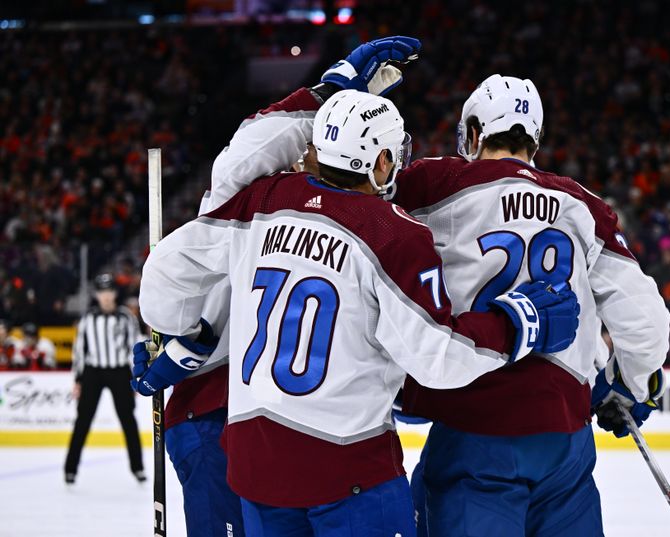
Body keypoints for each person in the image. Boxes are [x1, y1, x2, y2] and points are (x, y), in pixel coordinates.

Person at [207, 71, 670, 536]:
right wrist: (630, 383)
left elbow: (348, 197)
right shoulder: (582, 203)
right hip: (564, 437)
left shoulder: (432, 183)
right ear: (534, 139)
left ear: (472, 133)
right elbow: (644, 317)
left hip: (474, 427)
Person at [131, 77, 581, 537]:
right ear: (381, 160)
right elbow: (439, 358)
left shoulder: (261, 201)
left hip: (255, 462)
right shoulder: (393, 234)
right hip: (347, 468)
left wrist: (187, 339)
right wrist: (517, 323)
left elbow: (165, 272)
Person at [132, 36, 432, 537]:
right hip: (219, 422)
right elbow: (240, 162)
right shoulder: (252, 210)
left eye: (313, 144)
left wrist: (177, 345)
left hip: (252, 433)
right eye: (306, 144)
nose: (303, 154)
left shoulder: (267, 213)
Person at [64, 273, 145, 485]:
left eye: (109, 291)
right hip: (93, 372)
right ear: (97, 294)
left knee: (128, 419)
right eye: (102, 292)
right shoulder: (88, 319)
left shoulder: (126, 317)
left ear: (115, 293)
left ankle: (138, 468)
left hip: (119, 371)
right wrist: (78, 379)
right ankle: (70, 469)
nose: (106, 296)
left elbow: (134, 346)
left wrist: (136, 375)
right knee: (83, 420)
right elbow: (79, 350)